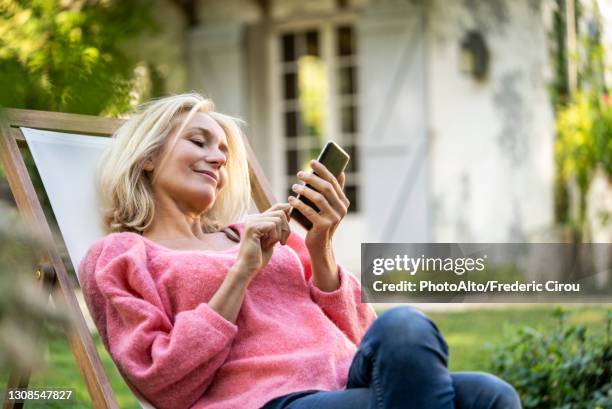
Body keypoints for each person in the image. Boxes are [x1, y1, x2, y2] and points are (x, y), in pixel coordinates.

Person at [78, 93, 521, 409]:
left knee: (425, 342)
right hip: (267, 399)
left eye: (222, 150)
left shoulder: (268, 234)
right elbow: (161, 382)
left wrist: (321, 246)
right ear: (148, 156)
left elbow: (362, 335)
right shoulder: (122, 255)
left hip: (347, 380)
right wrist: (242, 272)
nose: (217, 158)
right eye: (199, 141)